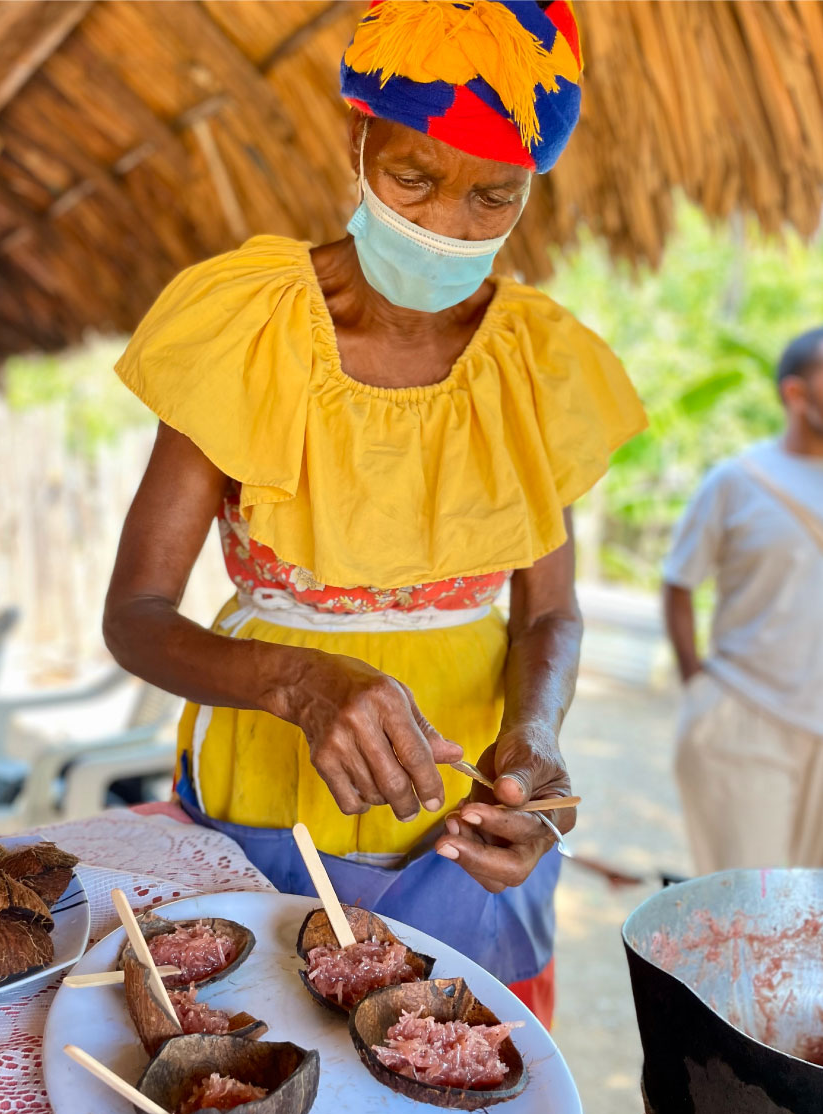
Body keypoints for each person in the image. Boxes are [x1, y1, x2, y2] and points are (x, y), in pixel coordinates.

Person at [105, 0, 645, 1027]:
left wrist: (536, 739)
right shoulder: (249, 327)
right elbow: (135, 613)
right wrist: (296, 681)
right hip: (268, 777)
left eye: (494, 196)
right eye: (413, 179)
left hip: (471, 809)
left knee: (453, 1084)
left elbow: (548, 613)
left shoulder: (538, 361)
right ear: (359, 140)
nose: (447, 225)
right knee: (263, 1060)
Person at [663, 327, 823, 873]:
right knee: (756, 912)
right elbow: (678, 582)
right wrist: (698, 684)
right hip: (746, 719)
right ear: (796, 394)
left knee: (810, 925)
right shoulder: (738, 480)